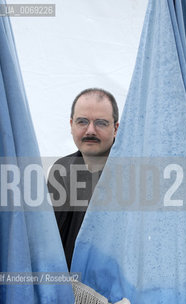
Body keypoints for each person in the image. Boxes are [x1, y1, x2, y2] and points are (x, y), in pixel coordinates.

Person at [47, 88, 119, 269]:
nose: (90, 130)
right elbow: (51, 239)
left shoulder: (130, 173)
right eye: (82, 122)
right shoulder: (61, 169)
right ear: (71, 125)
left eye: (101, 123)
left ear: (116, 128)